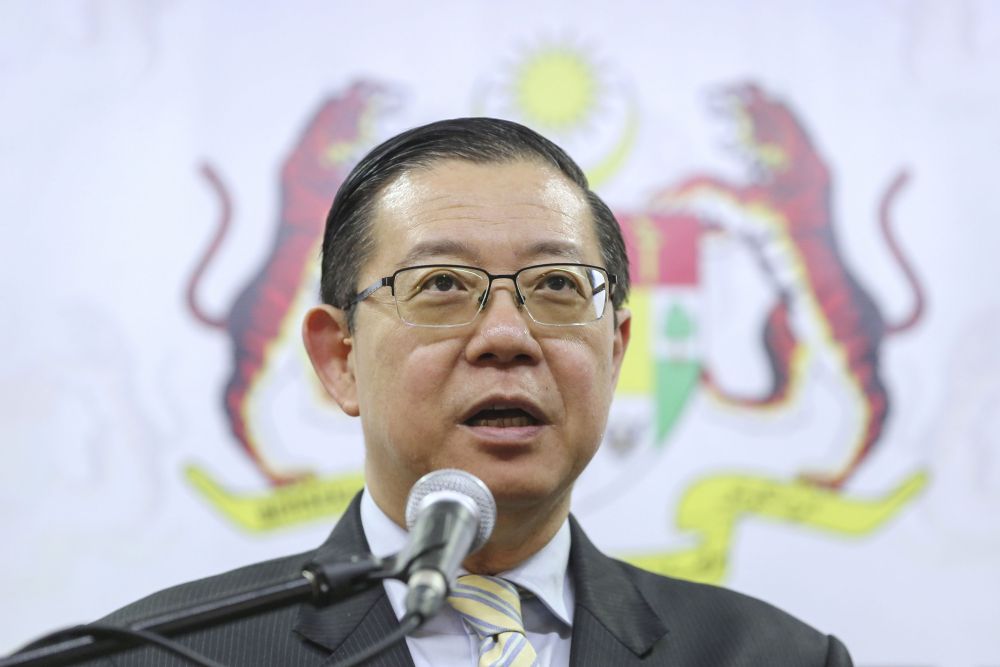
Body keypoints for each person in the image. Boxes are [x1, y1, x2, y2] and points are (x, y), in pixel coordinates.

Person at [67, 118, 853, 665]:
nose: (507, 335)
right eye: (441, 283)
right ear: (338, 358)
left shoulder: (775, 656)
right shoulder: (161, 656)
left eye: (555, 285)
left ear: (614, 350)